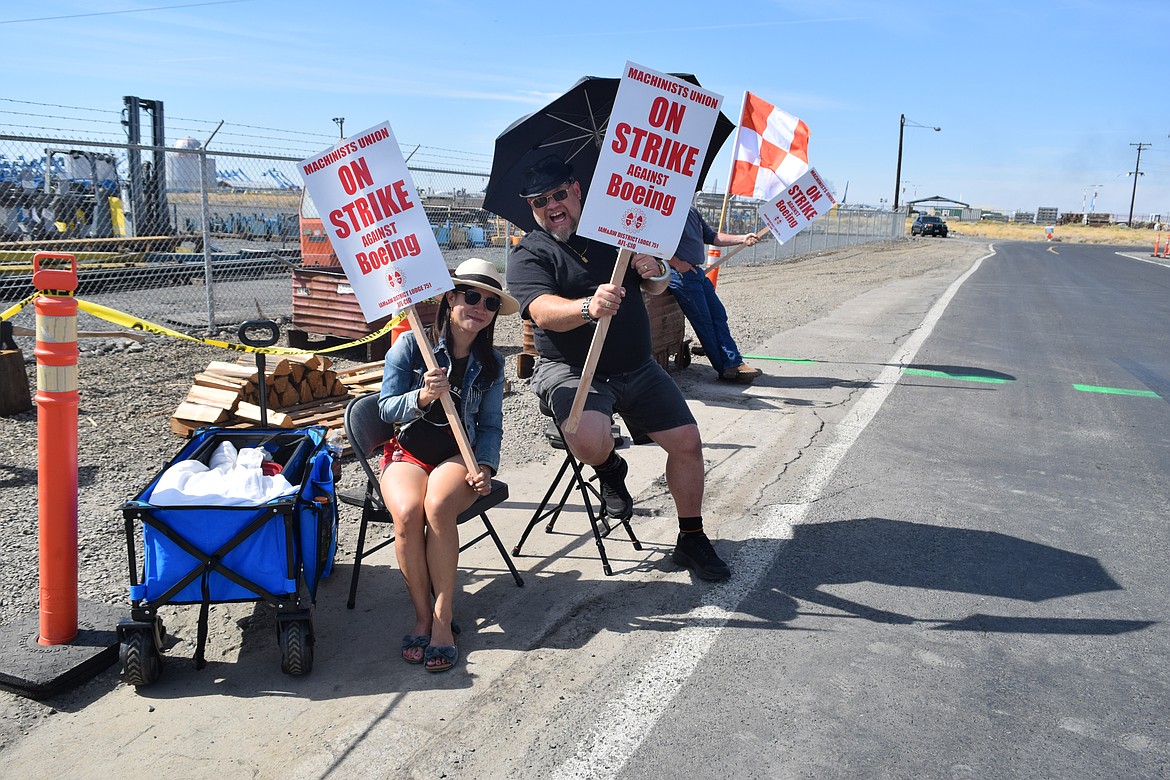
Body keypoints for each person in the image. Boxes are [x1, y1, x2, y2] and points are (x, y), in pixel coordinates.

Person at [506, 155, 731, 582]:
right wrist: (587, 307)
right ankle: (610, 468)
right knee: (587, 438)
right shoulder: (529, 253)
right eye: (539, 201)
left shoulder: (614, 230)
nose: (551, 205)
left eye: (557, 194)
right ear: (531, 208)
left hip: (637, 365)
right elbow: (540, 310)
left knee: (687, 441)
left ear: (576, 190)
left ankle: (692, 537)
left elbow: (656, 284)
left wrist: (655, 268)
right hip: (571, 368)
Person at [377, 257, 519, 672]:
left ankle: (442, 620)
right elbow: (385, 409)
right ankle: (421, 615)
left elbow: (491, 425)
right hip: (408, 451)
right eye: (471, 295)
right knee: (406, 513)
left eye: (490, 302)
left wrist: (486, 467)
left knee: (438, 508)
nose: (479, 307)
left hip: (459, 454)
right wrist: (421, 397)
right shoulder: (409, 345)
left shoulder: (492, 364)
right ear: (450, 297)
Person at [668, 204, 763, 383]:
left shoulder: (691, 211)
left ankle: (733, 362)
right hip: (681, 274)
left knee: (718, 315)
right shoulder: (667, 209)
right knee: (705, 322)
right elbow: (651, 244)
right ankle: (728, 368)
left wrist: (743, 238)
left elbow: (712, 236)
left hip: (695, 273)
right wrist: (677, 263)